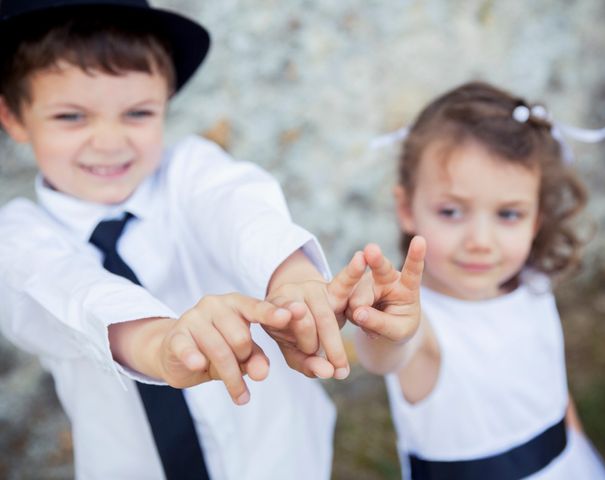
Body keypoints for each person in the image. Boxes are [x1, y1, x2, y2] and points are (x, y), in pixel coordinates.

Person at [0, 1, 365, 478]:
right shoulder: (18, 236)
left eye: (137, 113)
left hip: (279, 456)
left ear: (166, 104)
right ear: (13, 117)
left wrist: (292, 278)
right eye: (71, 117)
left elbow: (238, 208)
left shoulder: (191, 170)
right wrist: (162, 344)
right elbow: (71, 290)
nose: (109, 141)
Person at [349, 82, 605, 479]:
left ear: (536, 218)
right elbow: (387, 353)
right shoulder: (422, 323)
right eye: (452, 211)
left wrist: (575, 444)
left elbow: (551, 389)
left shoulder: (533, 283)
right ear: (407, 208)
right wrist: (382, 327)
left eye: (508, 214)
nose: (479, 242)